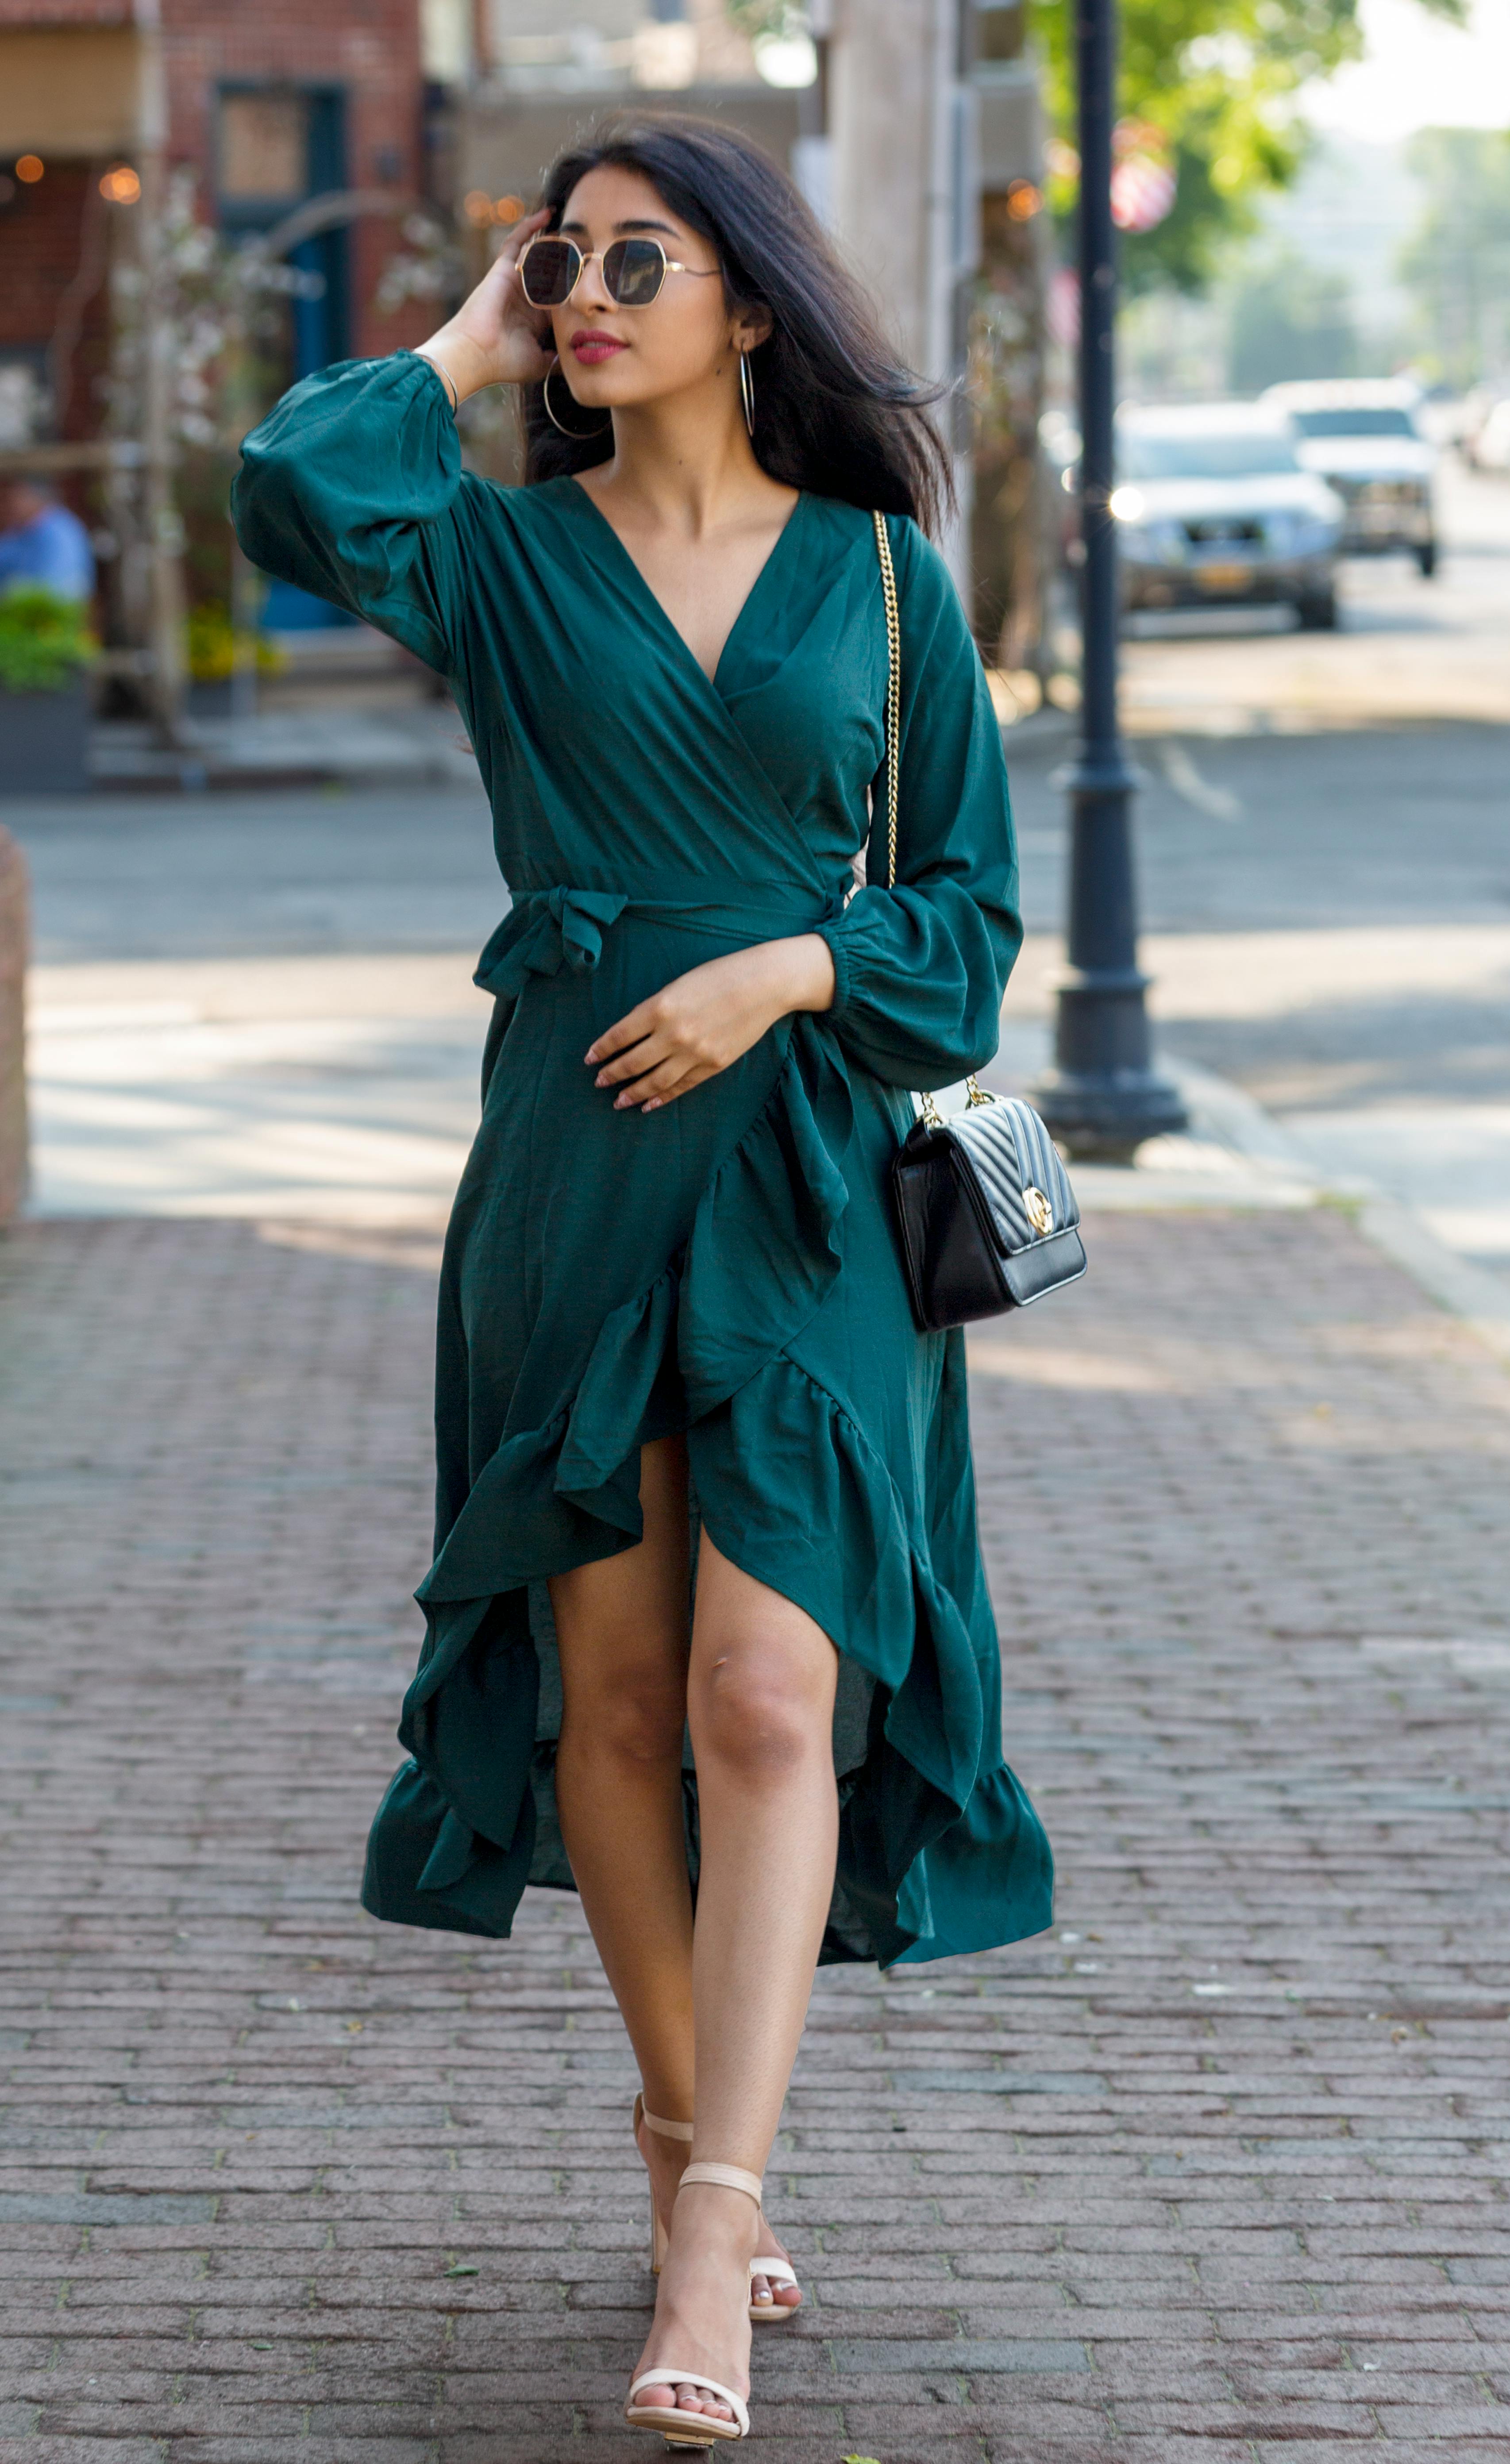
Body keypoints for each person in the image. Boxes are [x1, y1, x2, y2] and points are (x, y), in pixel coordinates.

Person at [231, 115, 1053, 2451]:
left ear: (753, 304)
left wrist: (791, 965)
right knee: (611, 1705)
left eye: (637, 260)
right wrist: (471, 342)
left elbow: (966, 928)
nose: (589, 292)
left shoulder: (886, 585)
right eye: (560, 262)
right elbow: (301, 490)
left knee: (768, 1694)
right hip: (573, 1177)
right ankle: (692, 2128)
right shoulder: (497, 557)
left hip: (797, 1176)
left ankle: (716, 2212)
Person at [0, 478, 95, 600]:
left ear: (33, 497)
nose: (7, 506)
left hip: (53, 611)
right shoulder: (22, 529)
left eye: (13, 499)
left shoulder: (60, 532)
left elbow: (52, 588)